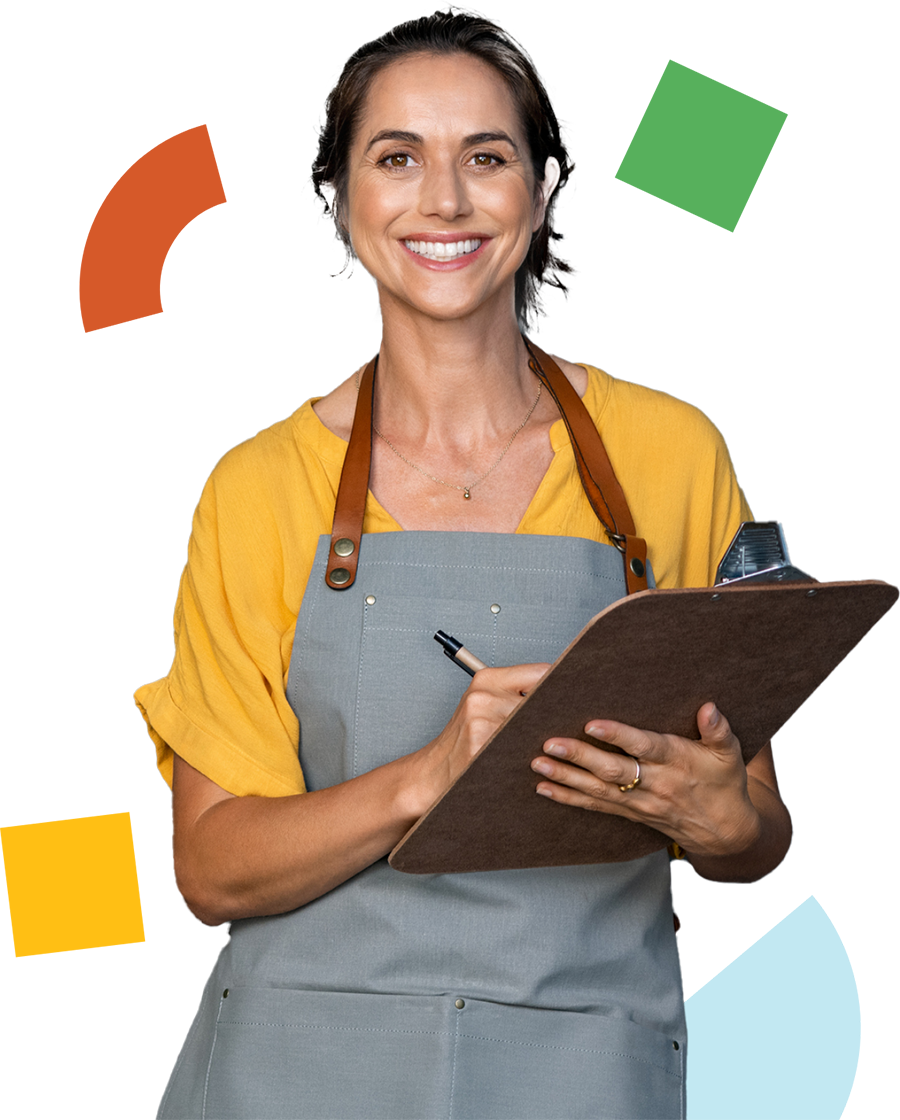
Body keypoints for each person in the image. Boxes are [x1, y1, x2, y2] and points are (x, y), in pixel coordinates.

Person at [134, 6, 792, 1118]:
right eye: (397, 158)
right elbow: (211, 867)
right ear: (341, 201)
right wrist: (430, 779)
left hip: (580, 1063)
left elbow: (753, 826)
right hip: (301, 1066)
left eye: (484, 158)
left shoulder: (668, 457)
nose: (443, 200)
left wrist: (718, 815)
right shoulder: (259, 489)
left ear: (539, 192)